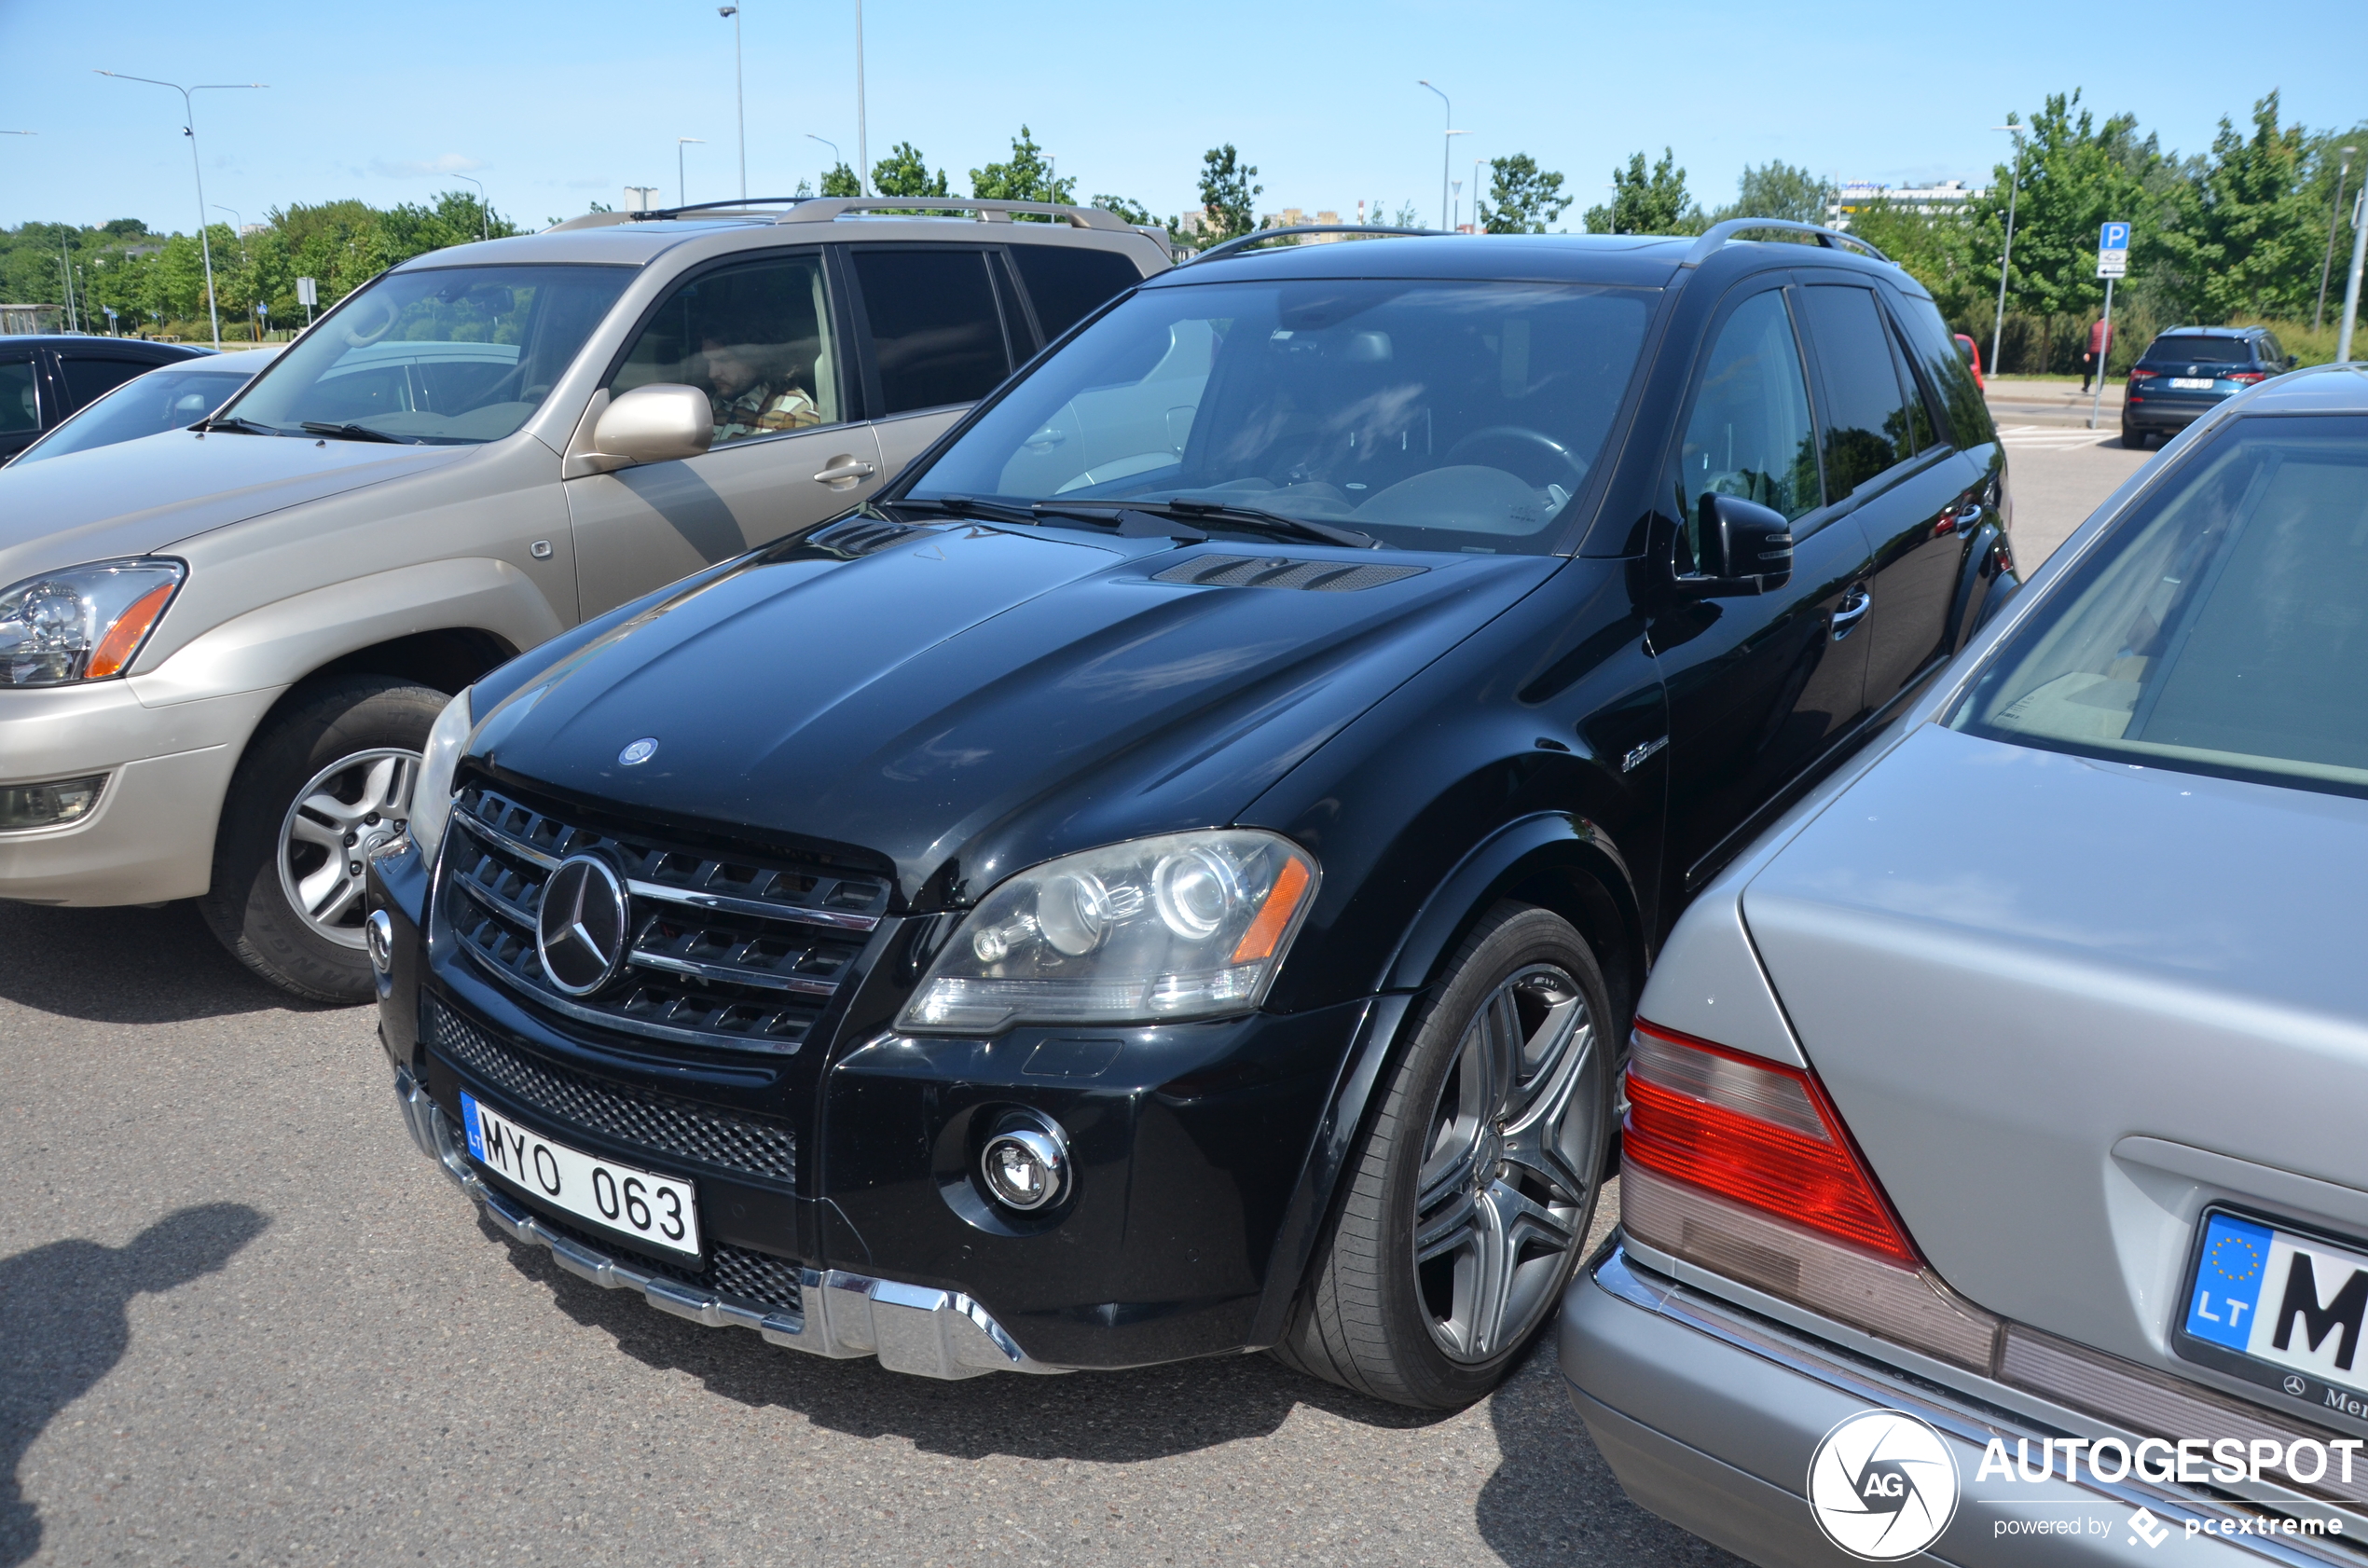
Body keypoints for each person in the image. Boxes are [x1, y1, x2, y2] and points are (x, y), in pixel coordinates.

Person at [698, 336, 824, 441]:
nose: (712, 373)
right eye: (708, 362)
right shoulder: (707, 402)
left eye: (723, 360)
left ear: (756, 359)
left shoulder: (791, 415)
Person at [2081, 314, 2113, 393]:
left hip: (2093, 351)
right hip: (2104, 351)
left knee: (2089, 369)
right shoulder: (2110, 327)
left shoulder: (2093, 327)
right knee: (2102, 370)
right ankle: (2099, 389)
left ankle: (2086, 386)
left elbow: (2089, 340)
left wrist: (2086, 352)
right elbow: (2111, 341)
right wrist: (2108, 350)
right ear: (2105, 318)